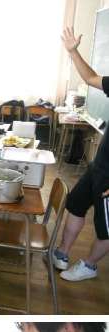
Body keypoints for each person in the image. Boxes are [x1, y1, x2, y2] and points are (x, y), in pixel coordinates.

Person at [52, 26, 109, 282]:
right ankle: (62, 253)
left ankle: (89, 265)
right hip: (100, 165)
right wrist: (73, 51)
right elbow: (91, 78)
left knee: (106, 229)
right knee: (75, 203)